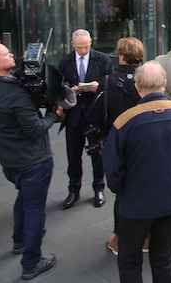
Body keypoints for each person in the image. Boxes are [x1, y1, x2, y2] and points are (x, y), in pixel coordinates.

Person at [103, 61, 171, 283]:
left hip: (135, 206)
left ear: (137, 87)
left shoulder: (125, 122)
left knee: (130, 262)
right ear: (164, 84)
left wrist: (123, 191)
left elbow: (113, 171)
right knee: (163, 261)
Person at [0, 40, 61, 280]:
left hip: (9, 158)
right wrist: (54, 115)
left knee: (23, 198)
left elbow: (13, 77)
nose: (12, 55)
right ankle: (31, 262)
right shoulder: (15, 95)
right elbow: (34, 128)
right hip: (33, 159)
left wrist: (24, 65)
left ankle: (20, 241)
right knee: (35, 209)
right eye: (5, 54)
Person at [92, 37, 144, 257]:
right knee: (144, 189)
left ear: (121, 55)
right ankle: (146, 237)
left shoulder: (107, 82)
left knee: (122, 193)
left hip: (118, 145)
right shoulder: (148, 79)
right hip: (144, 145)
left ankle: (120, 237)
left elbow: (94, 116)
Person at [58, 29, 113, 209]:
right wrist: (69, 89)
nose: (83, 51)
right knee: (73, 155)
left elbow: (110, 83)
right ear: (73, 45)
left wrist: (99, 87)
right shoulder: (65, 61)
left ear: (91, 42)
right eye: (80, 48)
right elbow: (59, 85)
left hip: (95, 113)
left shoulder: (102, 59)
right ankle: (74, 189)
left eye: (86, 47)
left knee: (97, 153)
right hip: (74, 114)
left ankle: (99, 188)